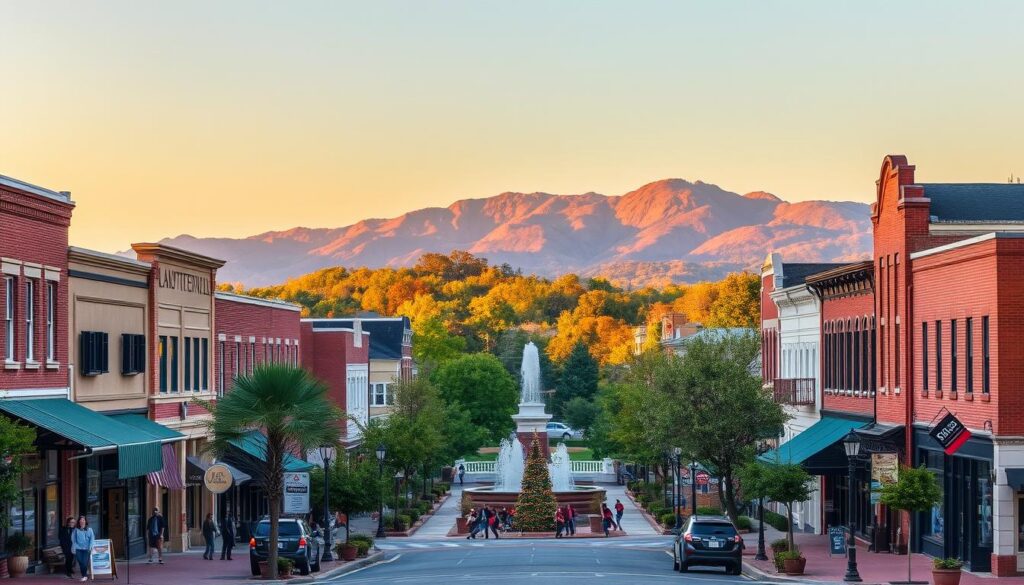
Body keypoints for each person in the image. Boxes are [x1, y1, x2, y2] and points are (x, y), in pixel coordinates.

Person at [71, 516, 94, 582]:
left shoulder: (89, 529)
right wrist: (75, 546)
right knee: (81, 562)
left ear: (85, 521)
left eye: (83, 520)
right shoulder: (76, 530)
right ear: (79, 522)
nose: (82, 521)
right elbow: (73, 539)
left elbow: (92, 539)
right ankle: (84, 574)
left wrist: (90, 547)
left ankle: (84, 576)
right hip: (78, 548)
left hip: (86, 549)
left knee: (84, 562)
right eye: (80, 520)